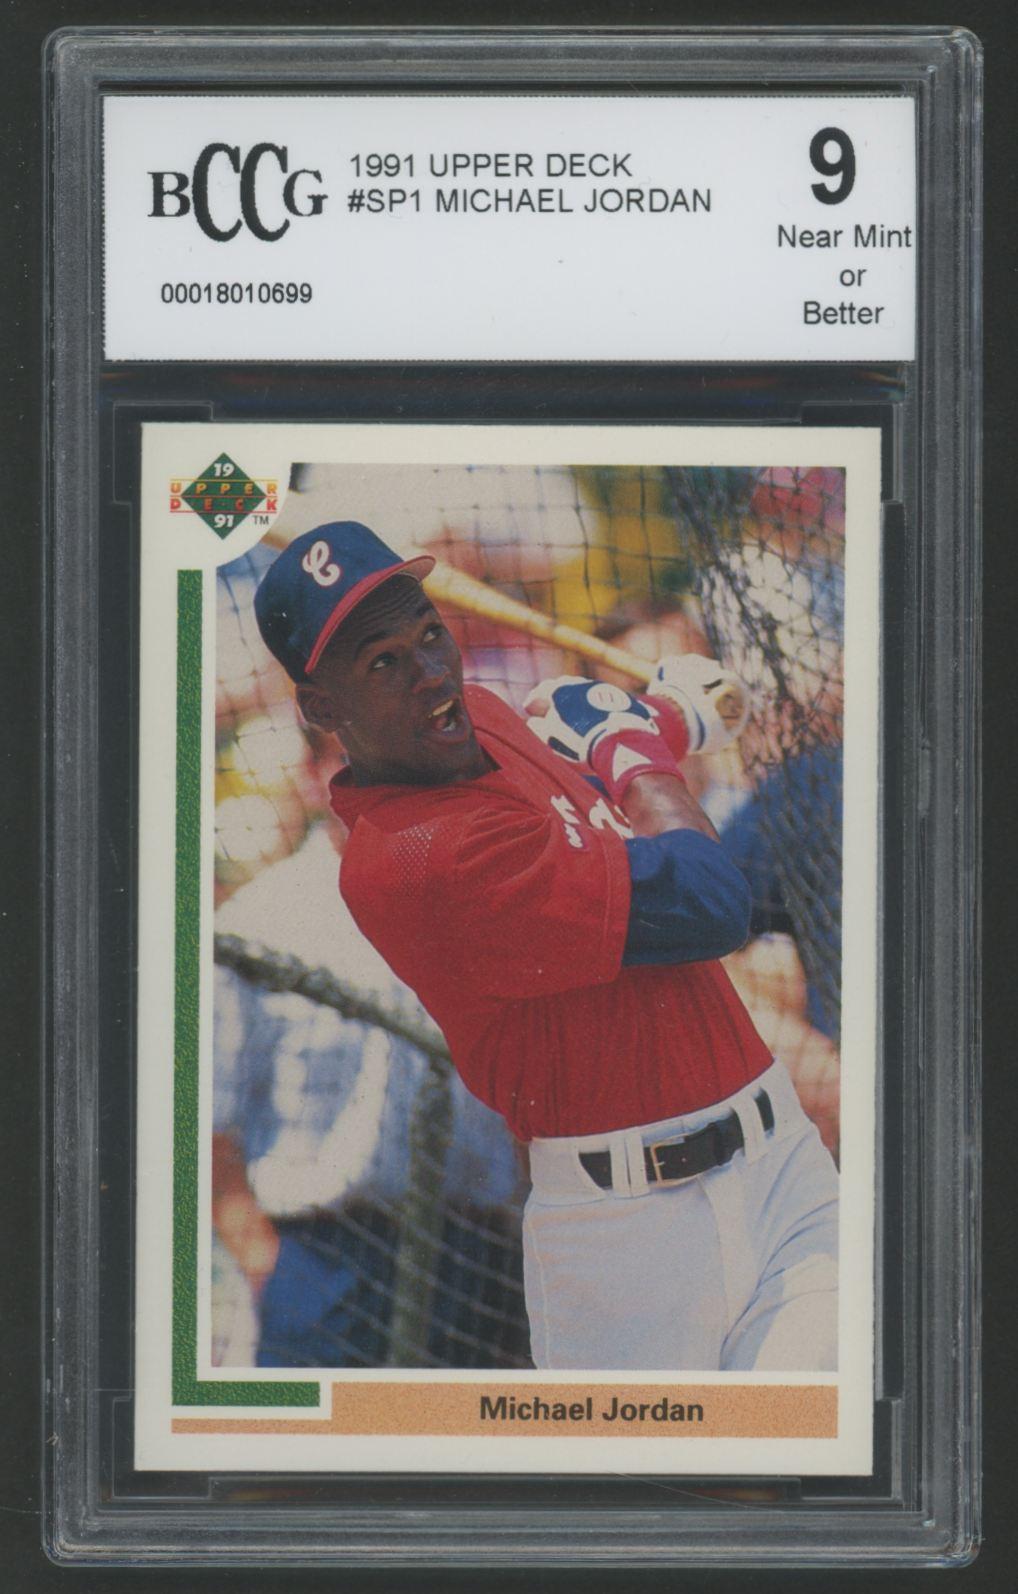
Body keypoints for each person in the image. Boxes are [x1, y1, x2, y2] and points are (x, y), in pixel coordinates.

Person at [254, 520, 840, 1372]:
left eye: (429, 634)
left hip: (781, 1168)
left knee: (832, 1444)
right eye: (383, 663)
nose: (431, 675)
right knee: (675, 1468)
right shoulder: (417, 859)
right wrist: (638, 751)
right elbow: (709, 904)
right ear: (321, 708)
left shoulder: (486, 719)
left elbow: (586, 800)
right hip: (630, 1245)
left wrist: (667, 719)